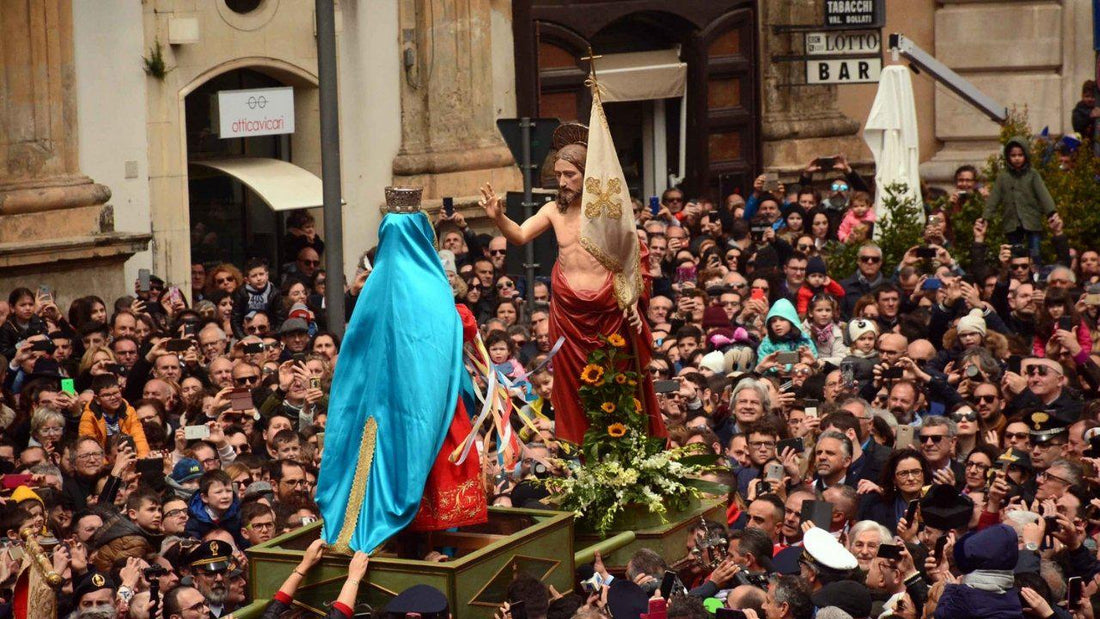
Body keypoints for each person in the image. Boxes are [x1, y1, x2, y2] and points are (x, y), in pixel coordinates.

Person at [315, 187, 486, 555]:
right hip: (424, 404)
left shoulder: (371, 287)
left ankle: (366, 531)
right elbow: (457, 332)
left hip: (372, 402)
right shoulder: (433, 289)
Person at [478, 122, 665, 444]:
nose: (562, 182)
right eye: (559, 175)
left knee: (616, 381)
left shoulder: (608, 212)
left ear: (587, 176)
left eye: (570, 175)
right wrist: (498, 217)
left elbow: (634, 259)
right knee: (575, 384)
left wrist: (632, 297)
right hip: (568, 311)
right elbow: (520, 235)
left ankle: (625, 445)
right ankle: (584, 447)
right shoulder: (552, 209)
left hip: (607, 309)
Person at [979, 137, 1058, 262]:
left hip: (1031, 219)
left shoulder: (1032, 174)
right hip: (1012, 220)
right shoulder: (1003, 177)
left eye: (1020, 155)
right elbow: (994, 198)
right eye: (1013, 155)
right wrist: (986, 217)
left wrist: (1051, 212)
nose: (1017, 158)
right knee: (1015, 251)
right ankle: (1017, 273)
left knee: (1035, 250)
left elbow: (1043, 194)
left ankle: (1036, 273)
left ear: (1025, 155)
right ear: (1008, 156)